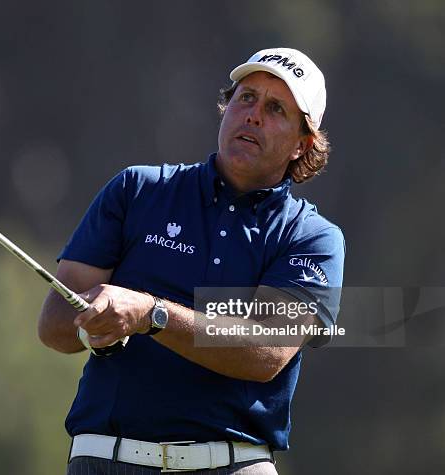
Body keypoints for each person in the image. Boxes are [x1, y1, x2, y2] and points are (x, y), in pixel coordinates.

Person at [39, 47, 345, 474]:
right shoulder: (137, 190)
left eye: (275, 108)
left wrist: (152, 314)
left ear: (302, 144)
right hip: (106, 458)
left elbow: (265, 350)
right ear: (226, 108)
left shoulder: (312, 238)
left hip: (232, 463)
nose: (253, 115)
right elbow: (53, 324)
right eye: (246, 98)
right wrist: (95, 324)